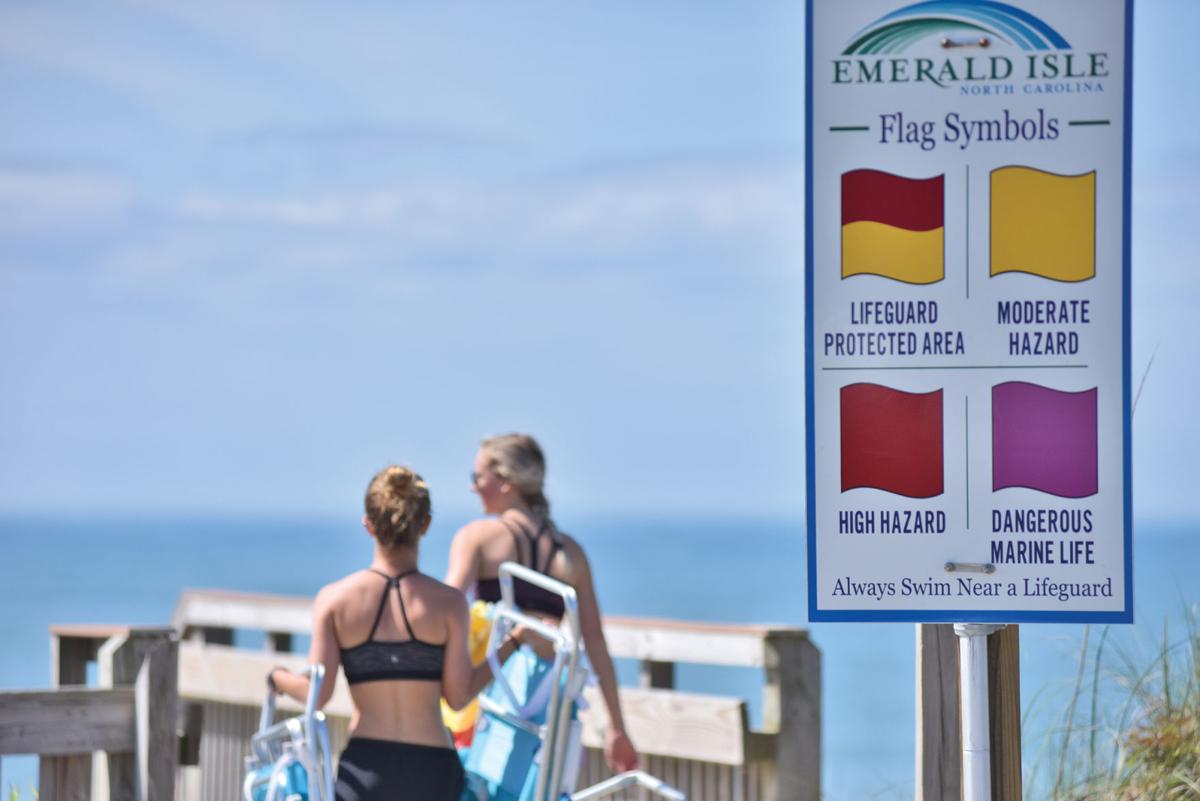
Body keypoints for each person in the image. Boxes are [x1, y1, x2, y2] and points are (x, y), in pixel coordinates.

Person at [269, 465, 521, 801]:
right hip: (432, 771)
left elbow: (318, 691)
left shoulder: (334, 601)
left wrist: (276, 677)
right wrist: (511, 644)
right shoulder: (449, 603)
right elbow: (458, 697)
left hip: (365, 770)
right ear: (425, 524)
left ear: (368, 524)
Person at [445, 433, 638, 774]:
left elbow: (442, 610)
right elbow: (594, 641)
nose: (473, 487)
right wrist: (617, 728)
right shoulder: (571, 553)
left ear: (505, 482)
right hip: (549, 710)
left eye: (477, 477)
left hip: (490, 703)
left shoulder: (477, 538)